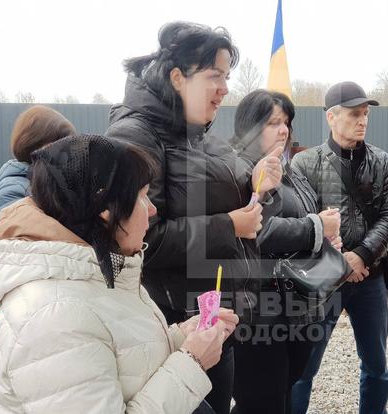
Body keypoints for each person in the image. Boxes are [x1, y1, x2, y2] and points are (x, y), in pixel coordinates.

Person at [0, 134, 239, 414]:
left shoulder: (97, 271)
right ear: (106, 210)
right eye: (142, 197)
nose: (153, 210)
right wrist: (192, 361)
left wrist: (181, 338)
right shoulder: (54, 317)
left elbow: (121, 359)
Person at [105, 22, 282, 414]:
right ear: (177, 78)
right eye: (214, 76)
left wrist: (259, 186)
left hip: (212, 315)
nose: (225, 88)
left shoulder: (200, 136)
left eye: (227, 77)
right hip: (170, 324)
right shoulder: (135, 135)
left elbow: (239, 207)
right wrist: (230, 225)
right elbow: (139, 240)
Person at [290, 81, 388, 414]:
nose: (362, 120)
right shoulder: (304, 164)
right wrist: (340, 262)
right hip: (323, 279)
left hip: (370, 277)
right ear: (331, 117)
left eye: (365, 113)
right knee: (303, 368)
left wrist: (363, 255)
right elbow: (301, 220)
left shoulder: (382, 161)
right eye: (354, 114)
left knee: (377, 366)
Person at [229, 90, 342, 414]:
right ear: (250, 126)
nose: (283, 130)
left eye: (287, 122)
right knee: (262, 400)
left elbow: (305, 220)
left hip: (297, 304)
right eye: (273, 123)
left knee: (283, 395)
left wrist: (325, 239)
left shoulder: (288, 169)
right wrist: (315, 227)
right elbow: (258, 231)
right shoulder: (236, 171)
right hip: (259, 310)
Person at [0, 105, 75, 229]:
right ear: (33, 144)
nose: (66, 154)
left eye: (68, 147)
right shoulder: (14, 186)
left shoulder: (55, 181)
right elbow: (20, 227)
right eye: (58, 145)